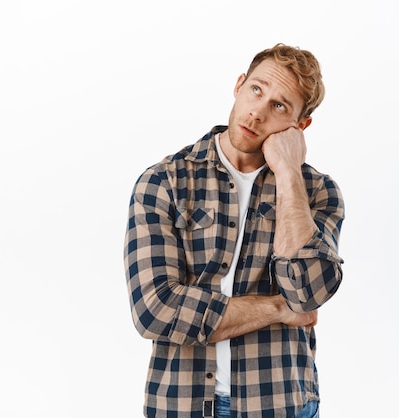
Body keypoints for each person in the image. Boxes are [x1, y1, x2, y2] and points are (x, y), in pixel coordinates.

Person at [123, 43, 344, 418]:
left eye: (279, 106)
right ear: (239, 84)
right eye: (256, 89)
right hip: (181, 404)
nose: (257, 112)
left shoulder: (318, 192)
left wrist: (289, 173)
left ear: (300, 126)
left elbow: (306, 293)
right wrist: (278, 308)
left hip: (280, 404)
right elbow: (154, 309)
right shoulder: (165, 181)